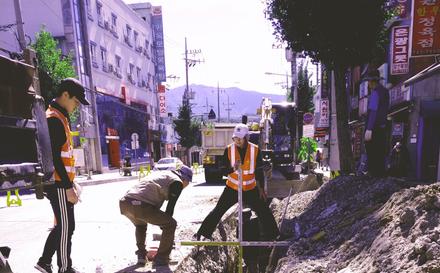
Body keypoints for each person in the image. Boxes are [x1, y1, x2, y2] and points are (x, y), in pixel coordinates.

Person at [35, 78, 89, 273]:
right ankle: (65, 268)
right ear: (65, 95)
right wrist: (67, 187)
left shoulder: (60, 117)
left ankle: (44, 261)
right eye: (76, 101)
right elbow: (55, 158)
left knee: (63, 225)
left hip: (62, 182)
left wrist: (71, 183)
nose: (77, 106)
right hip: (58, 183)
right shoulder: (54, 119)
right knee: (66, 227)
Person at [194, 124, 279, 241]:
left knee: (263, 210)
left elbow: (258, 171)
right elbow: (223, 170)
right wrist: (232, 168)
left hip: (250, 188)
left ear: (246, 137)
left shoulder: (255, 150)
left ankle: (274, 235)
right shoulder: (229, 150)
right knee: (218, 210)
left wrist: (261, 189)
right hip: (232, 188)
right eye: (235, 138)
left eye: (240, 138)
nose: (237, 141)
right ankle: (201, 234)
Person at [119, 165, 192, 266]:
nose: (186, 186)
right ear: (185, 179)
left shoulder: (163, 175)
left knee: (141, 225)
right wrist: (166, 229)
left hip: (125, 203)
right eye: (187, 183)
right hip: (140, 204)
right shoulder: (177, 182)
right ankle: (162, 258)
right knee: (171, 224)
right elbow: (170, 209)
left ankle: (141, 256)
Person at [363, 69, 390, 177]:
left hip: (374, 127)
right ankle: (380, 173)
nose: (368, 84)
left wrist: (369, 128)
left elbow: (373, 111)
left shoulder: (375, 93)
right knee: (380, 150)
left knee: (372, 149)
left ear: (372, 81)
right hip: (382, 125)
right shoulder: (385, 91)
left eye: (369, 82)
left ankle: (372, 172)